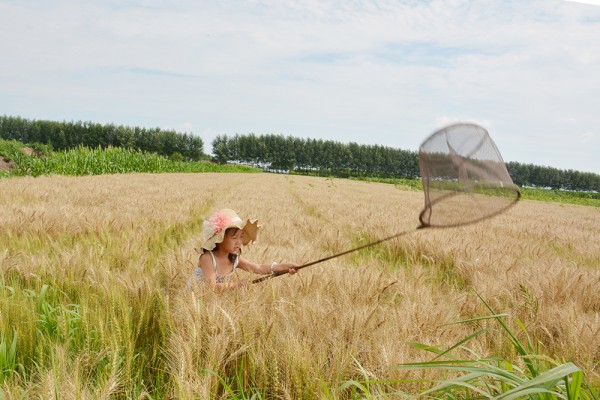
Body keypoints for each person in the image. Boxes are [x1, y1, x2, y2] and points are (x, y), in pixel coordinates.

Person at [191, 208, 298, 291]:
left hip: (212, 303)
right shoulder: (208, 258)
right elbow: (212, 287)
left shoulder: (233, 259)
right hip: (195, 300)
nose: (239, 242)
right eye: (234, 238)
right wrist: (237, 284)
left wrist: (284, 267)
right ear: (220, 239)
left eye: (241, 237)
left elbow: (258, 268)